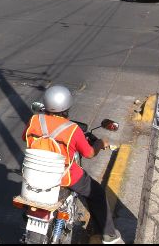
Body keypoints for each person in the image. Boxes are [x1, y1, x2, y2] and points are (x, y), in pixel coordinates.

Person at [23, 86, 122, 244]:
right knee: (97, 194)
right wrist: (100, 143)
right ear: (67, 106)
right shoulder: (72, 129)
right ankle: (109, 235)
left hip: (34, 173)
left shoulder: (34, 120)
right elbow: (89, 153)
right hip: (64, 176)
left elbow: (26, 138)